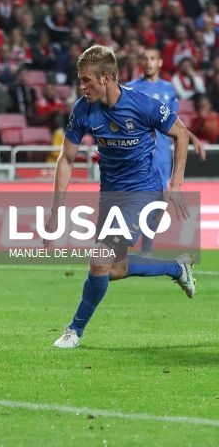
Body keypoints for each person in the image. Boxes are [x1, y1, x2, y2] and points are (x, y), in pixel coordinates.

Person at [48, 46, 196, 350]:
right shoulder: (83, 109)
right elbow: (66, 159)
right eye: (80, 80)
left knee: (98, 259)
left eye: (87, 80)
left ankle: (74, 331)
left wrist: (176, 184)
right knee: (113, 267)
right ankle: (177, 268)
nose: (82, 87)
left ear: (106, 78)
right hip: (111, 196)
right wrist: (56, 212)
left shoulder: (142, 105)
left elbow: (181, 133)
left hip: (145, 192)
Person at [127, 48, 206, 257]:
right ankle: (128, 244)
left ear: (160, 62)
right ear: (140, 63)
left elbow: (175, 122)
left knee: (161, 200)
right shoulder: (132, 89)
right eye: (144, 59)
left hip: (163, 154)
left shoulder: (168, 89)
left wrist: (193, 137)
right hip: (141, 152)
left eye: (152, 58)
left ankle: (146, 249)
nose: (148, 62)